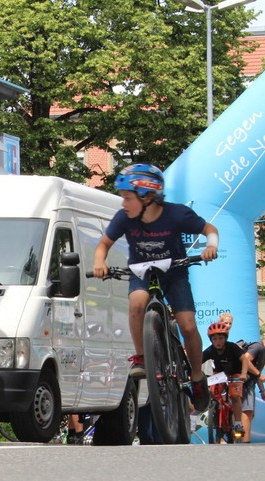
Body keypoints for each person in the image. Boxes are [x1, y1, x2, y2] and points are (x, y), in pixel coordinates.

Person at [92, 163, 219, 412]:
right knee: (137, 303)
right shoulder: (124, 219)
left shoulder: (176, 214)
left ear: (147, 197)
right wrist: (99, 262)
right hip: (141, 271)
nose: (123, 204)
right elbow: (103, 245)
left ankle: (196, 376)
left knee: (188, 325)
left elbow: (209, 229)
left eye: (127, 198)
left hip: (174, 273)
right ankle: (141, 357)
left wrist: (210, 245)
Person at [201, 321, 251, 438]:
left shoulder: (232, 347)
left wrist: (244, 374)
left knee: (234, 396)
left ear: (226, 338)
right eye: (215, 339)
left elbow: (244, 360)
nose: (218, 342)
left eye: (220, 338)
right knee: (213, 393)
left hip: (236, 374)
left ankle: (238, 423)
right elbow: (198, 361)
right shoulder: (210, 350)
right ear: (211, 340)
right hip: (220, 374)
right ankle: (216, 410)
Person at [239, 326, 265, 442]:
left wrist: (262, 390)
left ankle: (240, 439)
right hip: (244, 382)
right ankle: (245, 442)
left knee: (250, 414)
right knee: (247, 412)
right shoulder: (258, 347)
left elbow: (257, 370)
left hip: (250, 382)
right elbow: (246, 360)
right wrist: (258, 375)